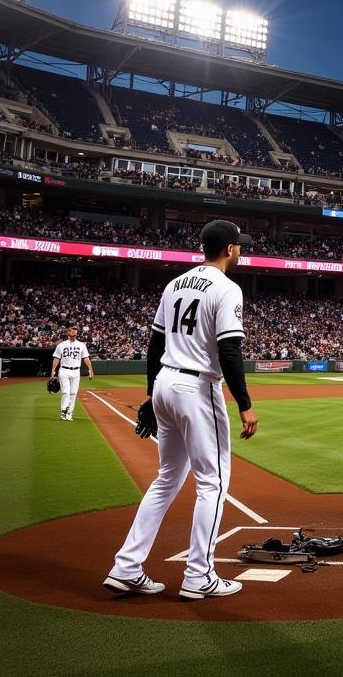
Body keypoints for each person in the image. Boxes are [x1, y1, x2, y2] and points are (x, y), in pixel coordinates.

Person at [104, 220, 259, 600]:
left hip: (165, 382)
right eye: (239, 245)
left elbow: (155, 344)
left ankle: (126, 567)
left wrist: (150, 393)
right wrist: (245, 404)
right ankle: (199, 575)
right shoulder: (227, 288)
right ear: (228, 249)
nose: (241, 249)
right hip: (197, 386)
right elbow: (229, 351)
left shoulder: (175, 283)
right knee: (213, 483)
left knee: (166, 479)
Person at [50, 324, 94, 420]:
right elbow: (56, 358)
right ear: (68, 332)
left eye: (75, 330)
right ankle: (63, 411)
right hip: (64, 371)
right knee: (66, 392)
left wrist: (90, 369)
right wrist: (53, 370)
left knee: (73, 393)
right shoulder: (61, 345)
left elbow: (86, 358)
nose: (74, 331)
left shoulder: (81, 345)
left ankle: (69, 412)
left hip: (76, 371)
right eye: (72, 330)